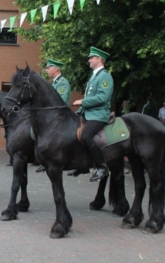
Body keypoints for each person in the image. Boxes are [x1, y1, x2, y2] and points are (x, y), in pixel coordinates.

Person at [73, 47, 114, 182]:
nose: (89, 60)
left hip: (99, 115)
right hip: (89, 113)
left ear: (99, 59)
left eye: (91, 57)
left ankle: (102, 167)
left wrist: (82, 101)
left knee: (86, 136)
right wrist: (78, 111)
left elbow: (102, 97)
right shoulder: (94, 76)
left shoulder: (105, 76)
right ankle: (84, 165)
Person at [36, 58, 72, 173]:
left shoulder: (62, 83)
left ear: (56, 69)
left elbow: (61, 101)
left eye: (49, 68)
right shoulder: (54, 83)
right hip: (52, 115)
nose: (46, 70)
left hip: (60, 115)